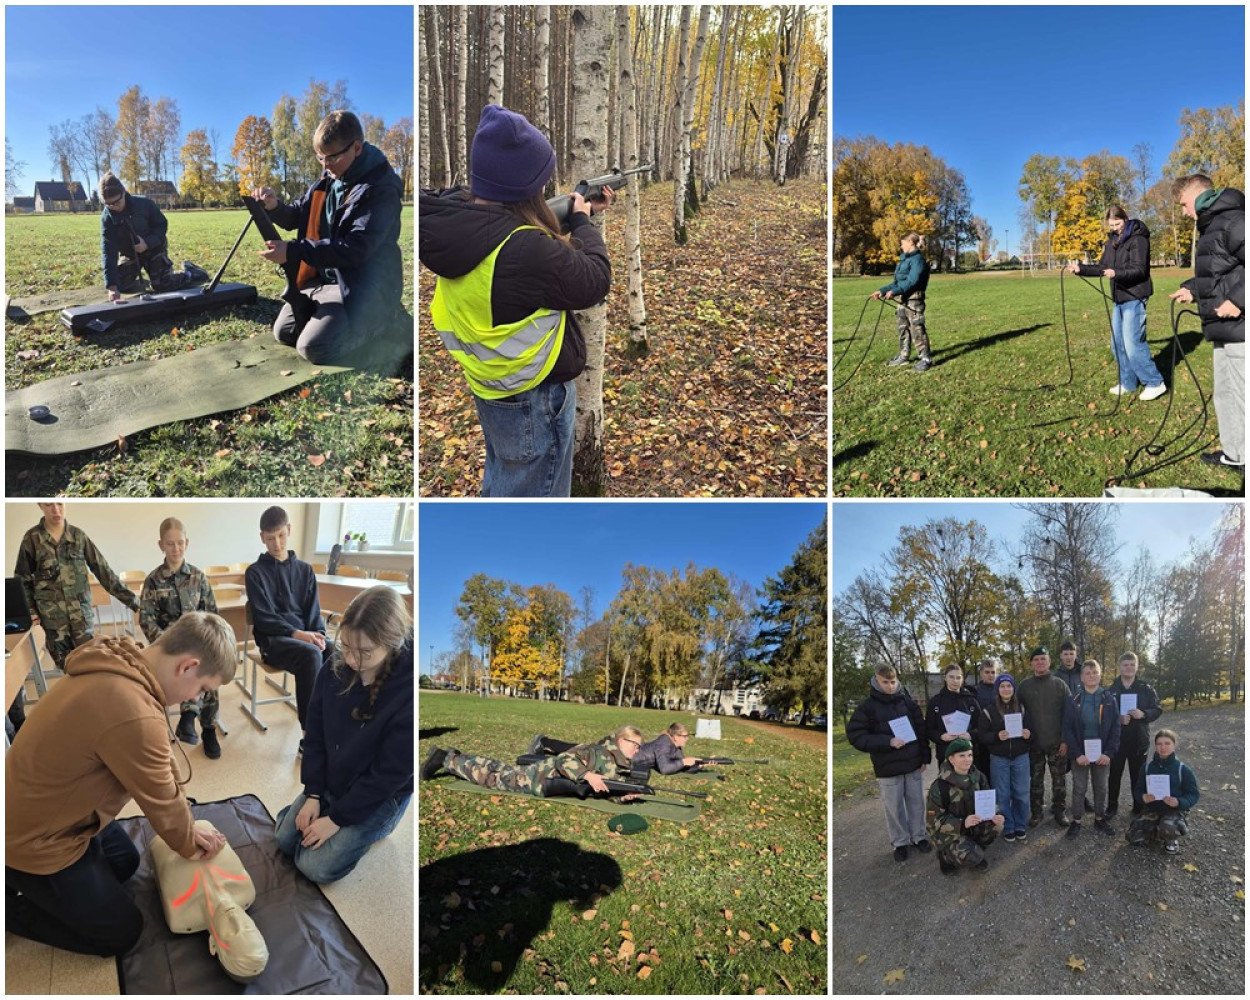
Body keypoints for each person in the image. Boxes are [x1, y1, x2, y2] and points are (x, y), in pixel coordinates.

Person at [5, 613, 236, 956]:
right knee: (122, 933)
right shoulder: (131, 709)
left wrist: (184, 820)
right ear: (188, 666)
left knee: (124, 862)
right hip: (33, 840)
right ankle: (10, 905)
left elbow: (161, 766)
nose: (196, 698)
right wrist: (189, 842)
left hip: (47, 812)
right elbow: (161, 799)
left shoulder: (125, 659)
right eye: (202, 689)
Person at [419, 104, 614, 497]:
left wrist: (572, 210)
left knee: (505, 482)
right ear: (526, 187)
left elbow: (505, 232)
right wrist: (582, 221)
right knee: (533, 496)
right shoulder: (527, 249)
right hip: (536, 398)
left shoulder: (452, 217)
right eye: (539, 182)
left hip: (492, 388)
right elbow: (595, 281)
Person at [273, 586, 413, 884]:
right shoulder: (335, 664)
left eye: (365, 652)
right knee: (284, 839)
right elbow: (315, 734)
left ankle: (380, 826)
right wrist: (312, 792)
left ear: (392, 644)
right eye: (347, 646)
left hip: (380, 793)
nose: (351, 660)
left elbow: (390, 774)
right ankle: (321, 807)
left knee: (317, 867)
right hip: (334, 776)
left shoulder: (408, 692)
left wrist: (337, 819)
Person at [252, 110, 405, 367]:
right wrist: (273, 207)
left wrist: (293, 251)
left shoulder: (381, 188)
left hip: (361, 289)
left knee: (314, 348)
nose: (324, 164)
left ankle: (387, 321)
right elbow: (297, 216)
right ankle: (334, 317)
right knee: (285, 333)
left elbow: (355, 249)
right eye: (320, 156)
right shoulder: (329, 178)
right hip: (321, 282)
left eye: (332, 157)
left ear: (356, 148)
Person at [244, 506, 334, 756]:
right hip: (273, 642)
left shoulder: (305, 570)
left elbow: (313, 613)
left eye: (281, 536)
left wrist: (318, 635)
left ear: (289, 531)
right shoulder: (255, 573)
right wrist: (301, 635)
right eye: (270, 538)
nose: (276, 543)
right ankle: (310, 736)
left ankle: (333, 722)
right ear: (262, 537)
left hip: (302, 639)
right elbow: (264, 619)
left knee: (334, 650)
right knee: (310, 655)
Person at [1169, 174, 1244, 470]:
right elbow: (1217, 274)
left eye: (1185, 205)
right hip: (1221, 327)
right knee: (1225, 395)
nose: (1185, 213)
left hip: (1241, 328)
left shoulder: (1235, 220)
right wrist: (1192, 288)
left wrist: (1239, 300)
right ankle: (1236, 454)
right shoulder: (1211, 227)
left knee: (1243, 396)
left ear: (1198, 196)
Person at [13, 502, 140, 671]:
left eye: (60, 504)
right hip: (53, 622)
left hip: (82, 619)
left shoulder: (78, 536)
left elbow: (104, 572)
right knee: (67, 669)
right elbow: (22, 580)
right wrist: (31, 612)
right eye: (49, 504)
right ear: (40, 505)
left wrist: (134, 602)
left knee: (92, 666)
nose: (56, 510)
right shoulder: (32, 539)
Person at [139, 517, 222, 759]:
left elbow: (212, 614)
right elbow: (146, 618)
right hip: (168, 647)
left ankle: (206, 728)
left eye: (180, 543)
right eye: (170, 544)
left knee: (209, 667)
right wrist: (167, 641)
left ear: (187, 543)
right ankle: (186, 718)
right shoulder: (153, 580)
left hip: (198, 643)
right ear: (161, 545)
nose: (176, 549)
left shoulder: (198, 577)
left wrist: (205, 642)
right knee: (182, 666)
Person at [1067, 205, 1166, 399]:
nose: (1115, 228)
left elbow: (1140, 270)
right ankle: (1128, 382)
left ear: (1125, 219)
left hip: (1135, 295)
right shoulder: (1111, 241)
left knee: (1132, 343)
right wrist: (1081, 269)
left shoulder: (1139, 239)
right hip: (1119, 297)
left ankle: (1155, 382)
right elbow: (1103, 267)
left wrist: (1116, 273)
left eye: (1118, 223)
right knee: (1117, 344)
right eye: (1111, 225)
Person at [846, 665, 932, 862]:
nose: (890, 686)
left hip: (912, 764)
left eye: (893, 682)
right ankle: (900, 842)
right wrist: (887, 742)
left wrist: (925, 757)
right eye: (886, 682)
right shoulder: (867, 707)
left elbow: (921, 731)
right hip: (887, 767)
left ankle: (919, 836)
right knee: (894, 807)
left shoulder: (908, 703)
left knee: (917, 803)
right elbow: (856, 735)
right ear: (876, 681)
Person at [421, 725, 644, 800]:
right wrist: (588, 775)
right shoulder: (597, 752)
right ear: (621, 740)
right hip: (540, 779)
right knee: (491, 778)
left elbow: (604, 789)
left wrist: (623, 796)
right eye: (635, 744)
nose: (638, 749)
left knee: (500, 768)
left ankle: (454, 756)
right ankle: (447, 759)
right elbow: (564, 759)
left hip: (543, 776)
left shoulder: (615, 762)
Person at [99, 173, 208, 301]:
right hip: (131, 254)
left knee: (162, 285)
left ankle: (190, 272)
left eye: (117, 202)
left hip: (154, 248)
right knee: (119, 284)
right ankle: (142, 277)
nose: (114, 207)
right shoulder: (107, 218)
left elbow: (161, 226)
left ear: (124, 192)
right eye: (109, 205)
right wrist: (112, 287)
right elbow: (108, 250)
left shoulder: (145, 204)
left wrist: (147, 243)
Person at [925, 737, 1003, 875]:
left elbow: (989, 801)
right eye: (962, 756)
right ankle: (945, 856)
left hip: (973, 824)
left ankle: (972, 850)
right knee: (974, 856)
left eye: (970, 755)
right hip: (950, 833)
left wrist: (996, 814)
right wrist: (962, 824)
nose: (967, 759)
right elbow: (933, 822)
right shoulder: (940, 786)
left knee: (997, 825)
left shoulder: (978, 777)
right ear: (951, 759)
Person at [1061, 658, 1121, 838]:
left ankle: (1100, 818)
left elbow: (1116, 728)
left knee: (1101, 786)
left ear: (1100, 675)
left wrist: (1109, 753)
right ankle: (1076, 820)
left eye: (1095, 672)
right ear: (1081, 677)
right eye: (1087, 673)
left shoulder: (1109, 698)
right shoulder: (1074, 699)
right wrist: (1077, 754)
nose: (1091, 676)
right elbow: (1067, 728)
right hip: (1081, 753)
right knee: (1079, 787)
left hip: (1101, 753)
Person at [1016, 646, 1073, 828]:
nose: (1040, 662)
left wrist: (1065, 739)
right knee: (1036, 780)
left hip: (1057, 743)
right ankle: (1037, 812)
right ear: (1032, 663)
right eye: (1036, 659)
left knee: (1059, 781)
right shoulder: (1024, 686)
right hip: (1034, 744)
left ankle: (1059, 810)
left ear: (1049, 662)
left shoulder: (1060, 685)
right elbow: (1016, 712)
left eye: (1043, 659)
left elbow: (1069, 714)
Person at [1106, 652, 1163, 818]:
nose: (1129, 668)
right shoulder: (1111, 690)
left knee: (1138, 777)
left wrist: (1143, 714)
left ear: (1137, 666)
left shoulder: (1146, 688)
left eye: (1132, 664)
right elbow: (1105, 715)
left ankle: (1138, 807)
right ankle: (1112, 806)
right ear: (1120, 667)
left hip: (1139, 741)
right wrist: (1117, 718)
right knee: (1114, 775)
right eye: (1125, 664)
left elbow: (1157, 709)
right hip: (1117, 741)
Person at [978, 673, 1032, 842]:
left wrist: (1028, 734)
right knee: (1002, 794)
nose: (1006, 689)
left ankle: (1020, 824)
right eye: (1002, 686)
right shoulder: (989, 710)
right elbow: (982, 735)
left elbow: (1032, 731)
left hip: (1020, 757)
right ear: (997, 689)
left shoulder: (1022, 708)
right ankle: (1008, 826)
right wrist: (996, 736)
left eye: (1009, 686)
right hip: (999, 758)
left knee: (1022, 792)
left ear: (1013, 688)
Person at [1126, 728, 1199, 854]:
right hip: (1152, 809)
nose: (1163, 747)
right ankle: (1155, 830)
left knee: (1168, 827)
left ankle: (1171, 839)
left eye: (1167, 743)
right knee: (1133, 837)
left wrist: (1178, 802)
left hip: (1173, 810)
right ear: (1155, 746)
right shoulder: (1147, 767)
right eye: (1159, 744)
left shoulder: (1183, 769)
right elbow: (1138, 790)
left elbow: (1193, 794)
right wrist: (1143, 797)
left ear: (1174, 745)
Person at [872, 232, 932, 372]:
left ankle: (925, 359)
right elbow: (897, 282)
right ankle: (904, 356)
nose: (901, 245)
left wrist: (895, 291)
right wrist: (881, 291)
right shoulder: (904, 260)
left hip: (914, 300)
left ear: (911, 242)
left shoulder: (918, 260)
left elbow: (913, 281)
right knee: (903, 328)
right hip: (902, 299)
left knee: (917, 328)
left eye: (903, 242)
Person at [924, 664, 980, 767]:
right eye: (951, 677)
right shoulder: (935, 702)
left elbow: (981, 727)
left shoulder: (971, 701)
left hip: (968, 755)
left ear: (962, 679)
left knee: (968, 783)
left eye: (958, 677)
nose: (955, 681)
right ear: (945, 678)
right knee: (947, 783)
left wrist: (971, 735)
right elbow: (928, 729)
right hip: (945, 754)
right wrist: (941, 736)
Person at [631, 722, 714, 775]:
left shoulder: (676, 747)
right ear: (675, 737)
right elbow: (665, 769)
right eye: (684, 736)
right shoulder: (663, 744)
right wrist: (684, 761)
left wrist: (700, 765)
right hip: (629, 761)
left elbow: (681, 767)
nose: (687, 739)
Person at [972, 657, 1001, 780]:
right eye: (987, 672)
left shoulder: (1003, 689)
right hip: (980, 741)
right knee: (982, 773)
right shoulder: (973, 692)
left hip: (1000, 738)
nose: (990, 675)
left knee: (999, 775)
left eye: (993, 672)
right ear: (981, 673)